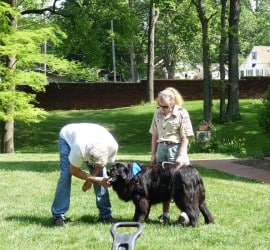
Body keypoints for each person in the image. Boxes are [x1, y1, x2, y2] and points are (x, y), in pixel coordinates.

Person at [51, 123, 118, 227]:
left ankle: (105, 216)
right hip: (67, 137)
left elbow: (101, 165)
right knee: (65, 175)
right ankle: (58, 216)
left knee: (102, 174)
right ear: (88, 158)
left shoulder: (112, 146)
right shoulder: (79, 148)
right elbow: (73, 170)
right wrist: (95, 179)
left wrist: (91, 179)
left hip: (91, 137)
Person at [149, 87, 194, 223]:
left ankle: (185, 213)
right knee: (163, 182)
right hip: (161, 148)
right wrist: (153, 154)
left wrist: (180, 155)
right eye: (160, 105)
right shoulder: (157, 113)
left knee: (181, 183)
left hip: (176, 148)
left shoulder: (182, 113)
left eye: (166, 106)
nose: (162, 109)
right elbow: (154, 134)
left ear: (173, 102)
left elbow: (186, 136)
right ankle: (165, 214)